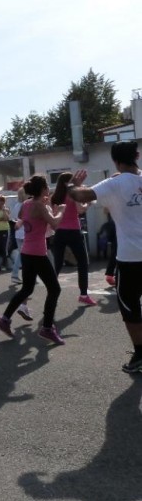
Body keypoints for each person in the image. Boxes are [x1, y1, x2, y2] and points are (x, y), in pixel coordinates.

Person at [67, 141, 142, 372]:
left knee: (130, 306)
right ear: (137, 156)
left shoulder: (115, 183)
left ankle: (140, 355)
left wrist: (72, 183)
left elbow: (80, 195)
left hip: (130, 258)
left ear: (114, 160)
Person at [0, 175, 66, 345]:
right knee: (54, 289)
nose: (48, 188)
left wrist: (45, 208)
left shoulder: (27, 204)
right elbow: (54, 224)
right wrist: (61, 210)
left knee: (27, 289)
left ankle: (4, 319)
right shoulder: (40, 206)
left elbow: (23, 217)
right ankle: (47, 328)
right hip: (37, 253)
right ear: (42, 189)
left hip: (26, 252)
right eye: (47, 186)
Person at [51, 172, 96, 306]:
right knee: (82, 262)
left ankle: (52, 293)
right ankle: (83, 294)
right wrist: (89, 203)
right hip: (73, 232)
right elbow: (80, 210)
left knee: (57, 264)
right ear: (67, 183)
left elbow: (53, 214)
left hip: (59, 232)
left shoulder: (55, 196)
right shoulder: (72, 194)